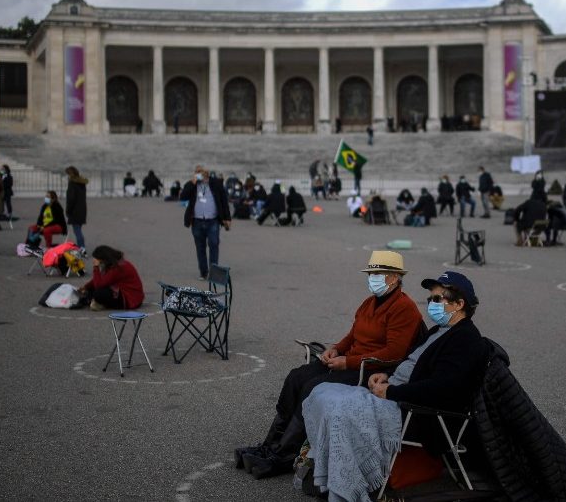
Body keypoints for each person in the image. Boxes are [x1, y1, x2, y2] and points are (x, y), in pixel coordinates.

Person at [236, 251, 424, 480]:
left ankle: (285, 453)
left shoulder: (404, 308)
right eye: (370, 274)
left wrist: (348, 362)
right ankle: (271, 444)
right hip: (350, 360)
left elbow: (395, 352)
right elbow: (353, 335)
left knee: (313, 387)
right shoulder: (369, 303)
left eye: (377, 274)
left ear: (394, 278)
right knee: (297, 376)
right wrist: (335, 349)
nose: (372, 278)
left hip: (370, 368)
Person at [300, 271, 487, 502]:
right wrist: (386, 375)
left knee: (340, 410)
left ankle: (347, 487)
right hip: (397, 394)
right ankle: (329, 474)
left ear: (459, 304)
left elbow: (442, 389)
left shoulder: (466, 339)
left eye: (438, 299)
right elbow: (411, 363)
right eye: (430, 299)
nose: (431, 304)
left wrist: (391, 391)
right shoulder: (440, 330)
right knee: (321, 392)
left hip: (414, 411)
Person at [180, 165, 231, 280]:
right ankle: (203, 272)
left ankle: (213, 273)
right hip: (197, 221)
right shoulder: (192, 185)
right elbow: (183, 197)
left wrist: (227, 218)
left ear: (207, 174)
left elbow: (224, 202)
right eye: (197, 173)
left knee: (214, 244)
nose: (200, 175)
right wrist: (192, 183)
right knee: (200, 247)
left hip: (212, 220)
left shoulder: (216, 184)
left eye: (201, 173)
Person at [76, 245, 144, 311]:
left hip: (130, 298)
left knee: (98, 293)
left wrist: (96, 267)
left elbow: (99, 285)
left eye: (98, 260)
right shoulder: (115, 263)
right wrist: (86, 287)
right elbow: (100, 279)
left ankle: (98, 302)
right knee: (91, 290)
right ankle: (91, 300)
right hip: (125, 293)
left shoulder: (118, 267)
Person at [65, 166, 88, 249]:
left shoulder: (72, 184)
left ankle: (82, 248)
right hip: (82, 209)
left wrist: (68, 211)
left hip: (74, 211)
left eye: (67, 174)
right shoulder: (82, 183)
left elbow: (71, 199)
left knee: (77, 231)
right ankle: (81, 247)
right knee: (78, 230)